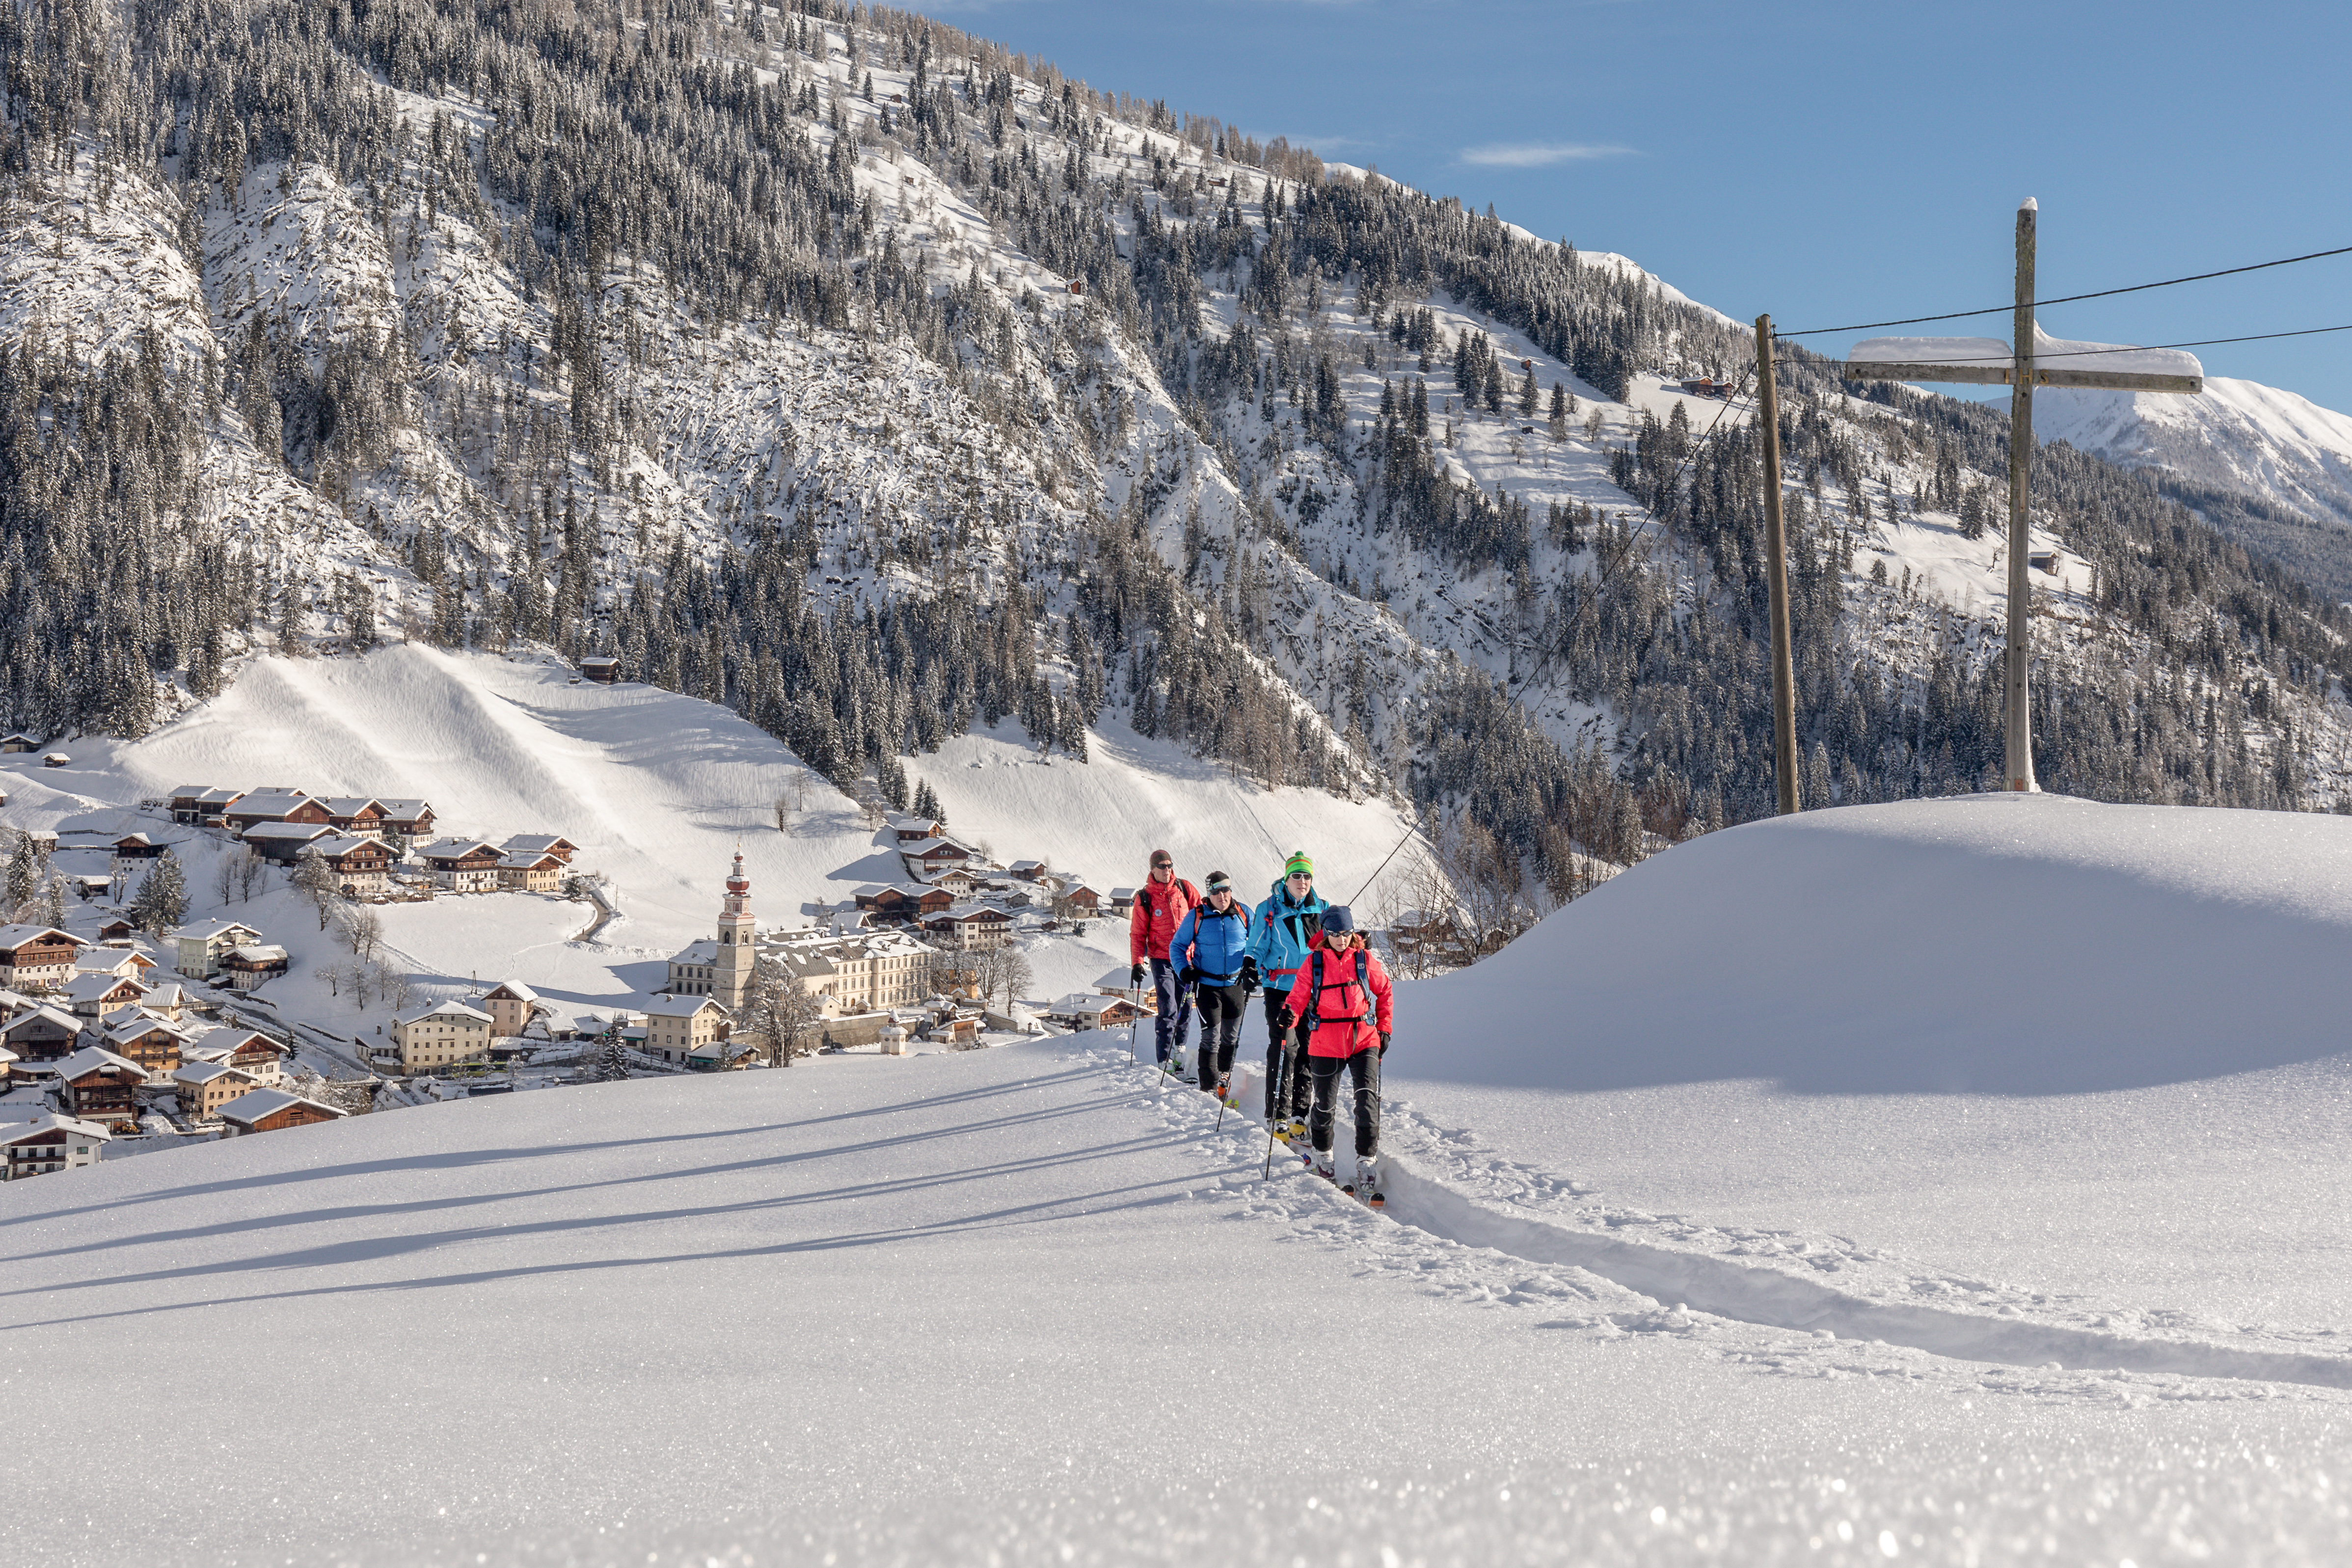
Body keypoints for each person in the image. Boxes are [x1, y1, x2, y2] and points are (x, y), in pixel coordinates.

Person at [1275, 906, 1394, 1205]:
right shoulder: (1314, 962)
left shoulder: (1364, 960)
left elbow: (1385, 991)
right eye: (1334, 934)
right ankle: (1324, 1159)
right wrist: (1289, 1014)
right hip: (1325, 1042)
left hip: (1364, 1039)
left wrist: (1385, 1028)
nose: (1341, 940)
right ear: (1325, 934)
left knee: (1367, 1101)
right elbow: (1298, 997)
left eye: (1346, 933)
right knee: (1325, 1105)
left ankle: (1366, 1163)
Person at [1244, 849, 1326, 1138]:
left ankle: (1300, 1114)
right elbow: (1256, 944)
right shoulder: (1269, 909)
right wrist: (1250, 965)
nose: (1302, 881)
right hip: (1280, 989)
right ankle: (1277, 1115)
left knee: (1309, 1049)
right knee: (1284, 1048)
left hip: (1313, 992)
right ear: (1286, 878)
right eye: (1296, 876)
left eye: (1307, 876)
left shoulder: (1321, 909)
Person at [1169, 870, 1252, 1101]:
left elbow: (1258, 943)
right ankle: (1208, 1089)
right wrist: (1183, 969)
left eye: (1225, 890)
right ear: (1209, 894)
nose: (1222, 896)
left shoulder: (1244, 914)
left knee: (1231, 1038)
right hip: (1207, 986)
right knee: (1211, 1037)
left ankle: (1224, 1083)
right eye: (1216, 891)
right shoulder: (1198, 916)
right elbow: (1177, 946)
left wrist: (1255, 968)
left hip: (1236, 985)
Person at [1128, 848, 1199, 1073]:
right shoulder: (1145, 898)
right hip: (1161, 959)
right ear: (1153, 869)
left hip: (1187, 959)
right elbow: (1138, 933)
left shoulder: (1184, 888)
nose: (1167, 870)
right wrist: (1137, 962)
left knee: (1186, 1007)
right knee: (1168, 1007)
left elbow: (1202, 915)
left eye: (1170, 865)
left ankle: (1180, 1051)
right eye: (1162, 866)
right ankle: (1164, 1060)